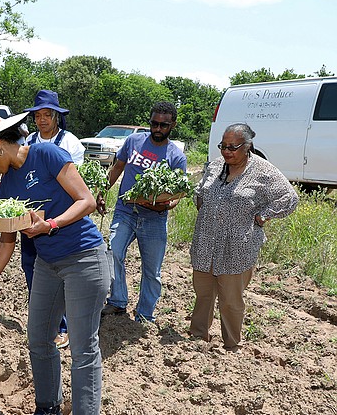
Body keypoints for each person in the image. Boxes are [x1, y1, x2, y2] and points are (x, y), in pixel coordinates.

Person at [0, 112, 107, 415]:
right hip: (47, 263)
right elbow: (6, 241)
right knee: (39, 337)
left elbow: (86, 201)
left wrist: (51, 225)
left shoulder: (48, 154)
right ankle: (48, 409)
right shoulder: (8, 185)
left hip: (84, 258)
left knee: (82, 345)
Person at [190, 123, 297, 350]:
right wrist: (200, 200)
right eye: (223, 146)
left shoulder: (264, 171)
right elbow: (200, 190)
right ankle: (198, 339)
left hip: (237, 246)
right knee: (203, 294)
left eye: (233, 147)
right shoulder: (216, 166)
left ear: (247, 146)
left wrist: (264, 216)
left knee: (230, 301)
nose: (227, 151)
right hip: (206, 242)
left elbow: (289, 198)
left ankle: (232, 345)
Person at [98, 101, 187, 323]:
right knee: (114, 252)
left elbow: (176, 196)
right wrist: (101, 192)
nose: (157, 129)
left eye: (163, 125)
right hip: (126, 211)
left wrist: (162, 205)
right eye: (154, 123)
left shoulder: (176, 157)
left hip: (154, 218)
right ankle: (117, 301)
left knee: (152, 270)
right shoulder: (134, 141)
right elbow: (117, 168)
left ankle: (145, 313)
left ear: (172, 125)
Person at [23, 90, 86, 349]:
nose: (42, 120)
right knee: (31, 268)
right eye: (37, 116)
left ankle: (65, 327)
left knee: (62, 274)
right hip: (32, 218)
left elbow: (78, 185)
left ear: (57, 117)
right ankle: (45, 322)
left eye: (47, 115)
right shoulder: (28, 142)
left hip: (61, 220)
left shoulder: (71, 143)